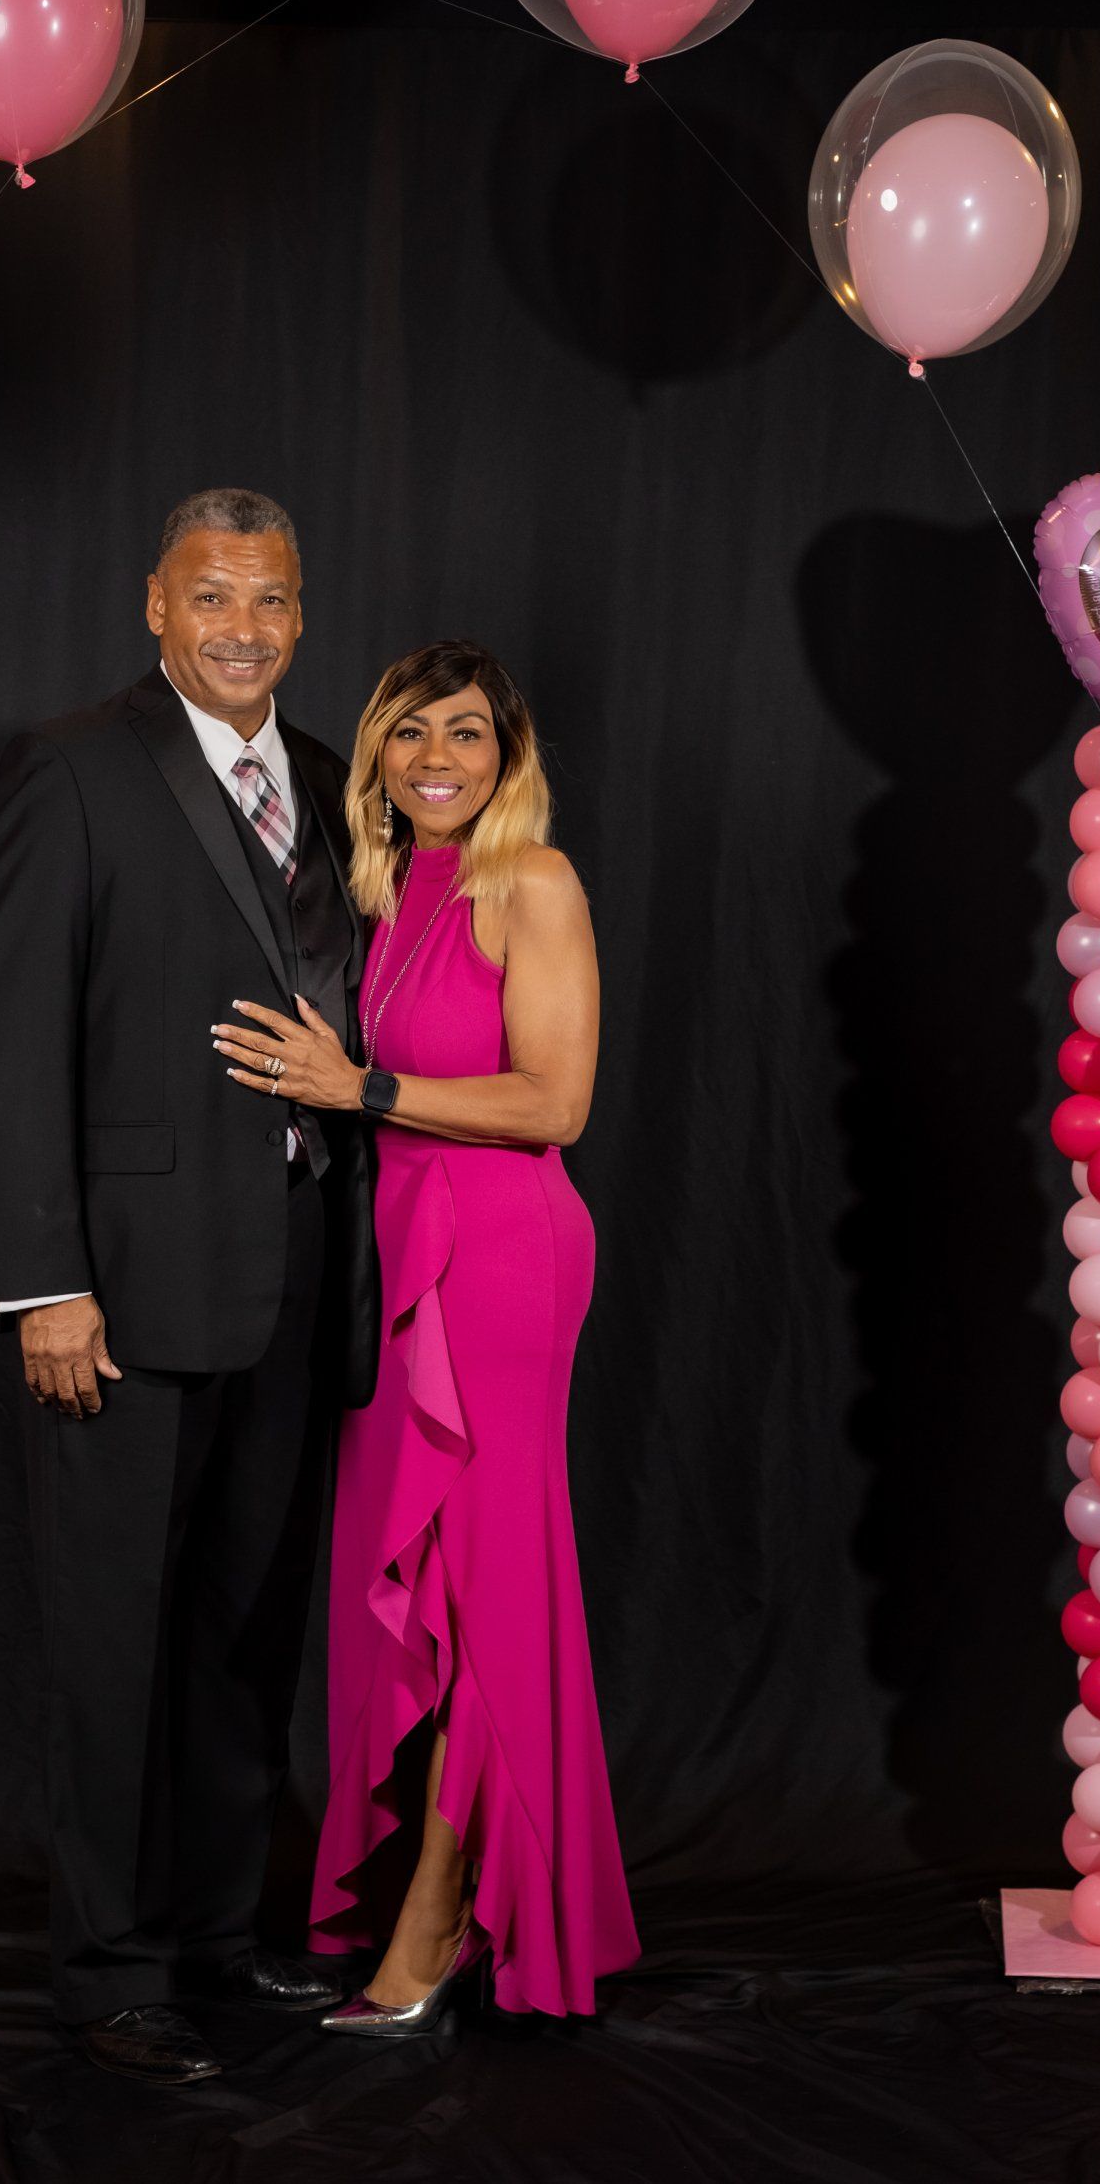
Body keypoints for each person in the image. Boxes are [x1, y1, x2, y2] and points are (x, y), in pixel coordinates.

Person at [0, 489, 378, 2085]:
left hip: (296, 1273)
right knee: (114, 1639)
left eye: (271, 599)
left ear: (302, 610)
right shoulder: (73, 767)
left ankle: (215, 1932)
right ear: (155, 603)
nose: (243, 628)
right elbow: (13, 1039)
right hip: (123, 1292)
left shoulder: (332, 779)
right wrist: (45, 1282)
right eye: (212, 596)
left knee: (244, 1632)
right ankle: (111, 1970)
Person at [210, 639, 639, 2031]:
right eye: (410, 732)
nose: (436, 758)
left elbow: (555, 1103)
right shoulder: (381, 891)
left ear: (508, 755)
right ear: (378, 755)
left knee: (488, 1589)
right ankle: (439, 1896)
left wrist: (364, 1087)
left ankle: (439, 1920)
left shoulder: (532, 882)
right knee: (425, 1589)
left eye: (465, 732)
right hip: (392, 1259)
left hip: (502, 1256)